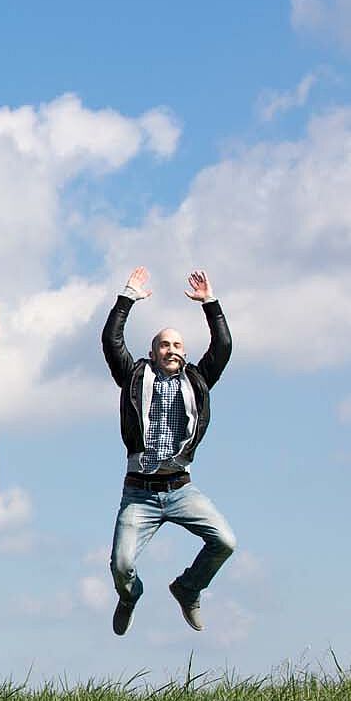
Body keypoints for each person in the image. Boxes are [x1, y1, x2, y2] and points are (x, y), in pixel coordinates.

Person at [101, 267, 236, 636]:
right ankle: (129, 597)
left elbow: (222, 347)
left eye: (177, 345)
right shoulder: (133, 377)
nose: (171, 350)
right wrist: (127, 297)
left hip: (181, 490)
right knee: (121, 564)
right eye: (164, 344)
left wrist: (210, 304)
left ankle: (188, 588)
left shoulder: (197, 380)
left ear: (185, 354)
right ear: (153, 352)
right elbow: (112, 341)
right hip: (139, 493)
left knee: (225, 541)